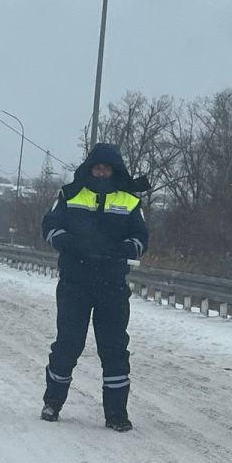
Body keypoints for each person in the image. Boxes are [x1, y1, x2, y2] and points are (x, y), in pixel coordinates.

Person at [40, 143, 149, 432]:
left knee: (114, 349)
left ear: (115, 170)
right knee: (67, 345)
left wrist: (121, 249)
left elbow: (141, 239)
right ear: (90, 168)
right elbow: (49, 226)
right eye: (97, 167)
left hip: (112, 286)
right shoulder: (70, 194)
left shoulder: (130, 200)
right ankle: (52, 402)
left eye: (107, 168)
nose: (101, 172)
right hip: (75, 283)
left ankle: (116, 414)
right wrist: (69, 243)